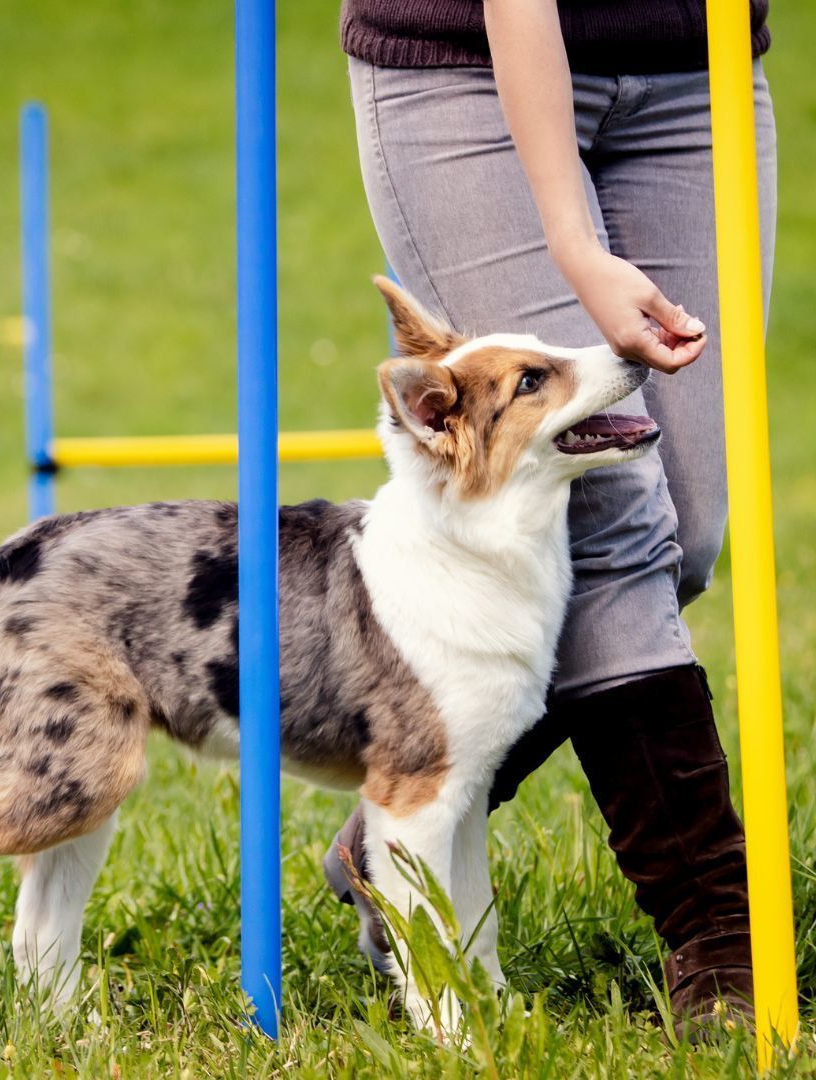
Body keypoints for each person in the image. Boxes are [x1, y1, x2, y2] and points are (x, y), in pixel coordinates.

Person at [321, 0, 777, 1040]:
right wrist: (572, 242)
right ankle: (719, 939)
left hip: (693, 68)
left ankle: (400, 817)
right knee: (615, 526)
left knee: (685, 532)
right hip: (465, 70)